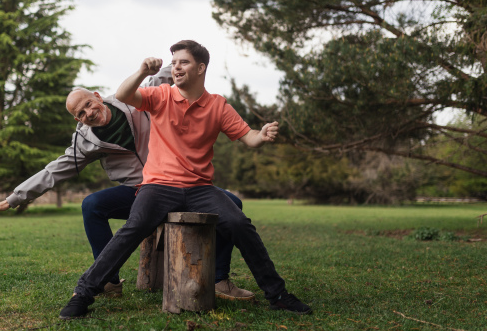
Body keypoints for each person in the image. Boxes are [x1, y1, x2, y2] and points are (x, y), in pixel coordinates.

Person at [59, 40, 312, 319]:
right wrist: (143, 71)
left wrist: (261, 135)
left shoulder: (218, 106)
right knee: (135, 227)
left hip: (200, 188)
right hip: (157, 186)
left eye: (184, 62)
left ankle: (277, 294)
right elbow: (123, 94)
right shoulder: (161, 95)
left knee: (239, 223)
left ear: (201, 67)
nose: (176, 67)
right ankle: (82, 294)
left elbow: (248, 137)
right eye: (174, 62)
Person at [0, 65, 253, 300]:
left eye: (88, 104)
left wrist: (178, 63)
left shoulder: (133, 101)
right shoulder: (86, 141)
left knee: (233, 203)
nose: (88, 112)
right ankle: (109, 279)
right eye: (81, 113)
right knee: (93, 204)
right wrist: (13, 198)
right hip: (137, 191)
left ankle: (219, 279)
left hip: (176, 182)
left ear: (97, 97)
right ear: (78, 120)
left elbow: (164, 75)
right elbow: (54, 171)